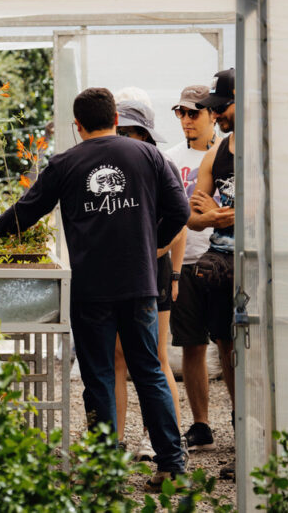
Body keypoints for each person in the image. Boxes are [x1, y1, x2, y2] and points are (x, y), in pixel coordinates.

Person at [0, 88, 189, 488]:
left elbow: (25, 213)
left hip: (92, 289)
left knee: (100, 376)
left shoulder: (65, 163)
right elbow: (180, 210)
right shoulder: (148, 155)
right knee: (149, 371)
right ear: (115, 117)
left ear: (77, 126)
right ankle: (172, 466)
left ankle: (105, 471)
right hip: (140, 284)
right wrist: (152, 245)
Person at [112, 99, 186, 465]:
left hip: (152, 270)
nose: (121, 137)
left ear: (142, 133)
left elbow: (181, 219)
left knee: (156, 358)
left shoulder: (161, 164)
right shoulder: (115, 167)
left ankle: (159, 440)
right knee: (118, 359)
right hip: (123, 269)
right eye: (118, 129)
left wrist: (172, 270)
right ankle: (115, 443)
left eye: (127, 131)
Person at [164, 85, 223, 453]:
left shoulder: (225, 155)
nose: (186, 120)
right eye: (181, 113)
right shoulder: (170, 158)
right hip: (184, 262)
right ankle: (201, 424)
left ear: (211, 114)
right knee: (192, 346)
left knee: (231, 345)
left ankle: (239, 418)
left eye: (193, 112)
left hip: (218, 257)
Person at [188, 69, 237, 479]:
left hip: (253, 263)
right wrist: (214, 219)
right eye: (214, 108)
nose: (216, 114)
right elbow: (192, 216)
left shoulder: (265, 148)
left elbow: (281, 202)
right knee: (227, 348)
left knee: (259, 352)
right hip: (220, 262)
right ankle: (244, 442)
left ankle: (262, 441)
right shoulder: (215, 154)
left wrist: (222, 214)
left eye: (222, 107)